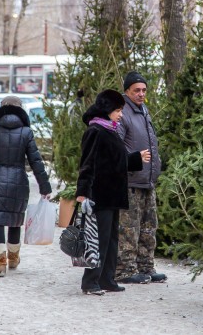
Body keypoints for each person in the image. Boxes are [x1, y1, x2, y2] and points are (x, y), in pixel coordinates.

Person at [75, 89, 150, 295]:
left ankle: (107, 279)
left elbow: (116, 160)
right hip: (100, 194)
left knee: (111, 239)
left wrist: (135, 158)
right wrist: (83, 192)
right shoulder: (95, 131)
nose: (121, 114)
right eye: (117, 110)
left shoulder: (110, 130)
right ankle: (90, 282)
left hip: (113, 194)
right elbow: (87, 164)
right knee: (98, 239)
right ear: (107, 110)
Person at [0, 96, 52, 277]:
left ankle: (0, 264)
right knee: (15, 220)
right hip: (18, 182)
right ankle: (13, 259)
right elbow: (36, 162)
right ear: (20, 109)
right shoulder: (26, 132)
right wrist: (45, 187)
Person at [115, 71, 166, 284]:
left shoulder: (143, 110)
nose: (141, 94)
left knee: (148, 226)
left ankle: (146, 265)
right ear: (127, 91)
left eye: (144, 90)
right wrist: (133, 161)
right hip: (131, 181)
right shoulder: (123, 113)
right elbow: (116, 148)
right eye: (137, 90)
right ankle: (125, 269)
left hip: (148, 179)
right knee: (129, 228)